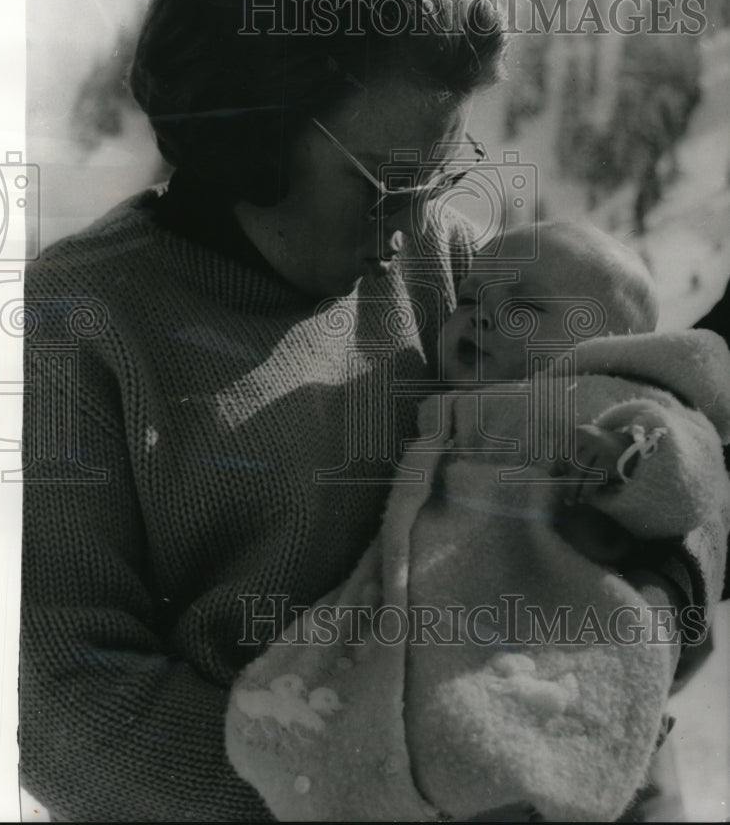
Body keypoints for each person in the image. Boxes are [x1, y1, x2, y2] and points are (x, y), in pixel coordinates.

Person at [19, 0, 716, 822]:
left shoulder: (445, 267)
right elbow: (60, 696)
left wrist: (658, 582)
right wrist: (369, 789)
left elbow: (613, 443)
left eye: (440, 173)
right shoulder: (77, 325)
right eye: (387, 183)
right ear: (245, 139)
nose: (418, 219)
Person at [224, 222, 730, 821]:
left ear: (609, 342)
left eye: (523, 307)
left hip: (548, 633)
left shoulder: (605, 399)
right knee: (291, 713)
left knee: (491, 749)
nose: (482, 315)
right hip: (440, 617)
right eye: (468, 299)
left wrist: (623, 459)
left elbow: (685, 464)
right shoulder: (459, 405)